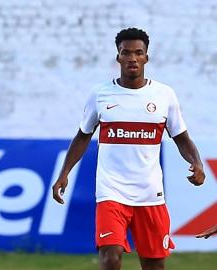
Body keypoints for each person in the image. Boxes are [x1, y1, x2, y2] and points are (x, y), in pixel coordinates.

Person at [52, 28, 205, 270]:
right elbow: (82, 136)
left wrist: (197, 162)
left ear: (146, 57)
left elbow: (182, 138)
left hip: (150, 194)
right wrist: (64, 173)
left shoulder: (164, 95)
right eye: (126, 53)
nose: (132, 58)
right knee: (110, 258)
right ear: (118, 57)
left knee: (154, 265)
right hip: (111, 192)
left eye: (138, 53)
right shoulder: (100, 94)